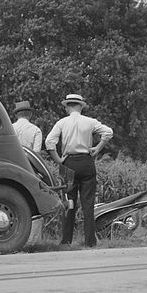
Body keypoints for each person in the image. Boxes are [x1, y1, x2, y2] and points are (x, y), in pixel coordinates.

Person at [45, 93, 113, 247]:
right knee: (88, 204)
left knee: (69, 202)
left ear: (68, 106)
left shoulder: (62, 122)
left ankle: (66, 240)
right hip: (87, 162)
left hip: (68, 163)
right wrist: (98, 148)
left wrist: (58, 160)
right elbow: (108, 132)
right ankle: (90, 241)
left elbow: (49, 141)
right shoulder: (90, 122)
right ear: (81, 106)